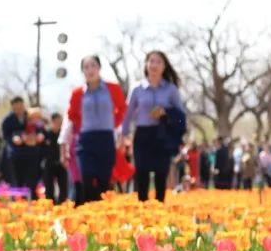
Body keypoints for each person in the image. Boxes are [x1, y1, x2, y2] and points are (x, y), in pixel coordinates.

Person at [120, 52, 186, 202]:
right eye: (151, 61)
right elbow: (128, 114)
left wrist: (166, 112)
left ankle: (158, 212)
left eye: (159, 62)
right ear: (146, 65)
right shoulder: (137, 89)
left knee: (161, 175)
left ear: (164, 66)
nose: (154, 65)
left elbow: (182, 118)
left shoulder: (171, 90)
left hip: (162, 136)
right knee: (141, 175)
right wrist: (123, 136)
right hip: (142, 135)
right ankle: (142, 212)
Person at [62, 55, 127, 204]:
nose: (90, 70)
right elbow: (71, 115)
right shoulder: (77, 93)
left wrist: (114, 123)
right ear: (82, 71)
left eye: (93, 66)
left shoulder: (112, 88)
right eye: (86, 67)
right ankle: (88, 215)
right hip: (86, 140)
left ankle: (101, 216)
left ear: (99, 68)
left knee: (104, 181)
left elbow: (123, 109)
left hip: (106, 139)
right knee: (86, 177)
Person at [0, 96, 27, 187]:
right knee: (14, 179)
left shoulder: (28, 116)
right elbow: (5, 137)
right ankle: (15, 199)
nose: (19, 110)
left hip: (28, 153)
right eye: (17, 108)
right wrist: (13, 139)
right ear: (13, 107)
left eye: (21, 107)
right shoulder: (7, 120)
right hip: (13, 154)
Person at [42, 113, 69, 204]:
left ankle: (62, 205)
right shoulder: (46, 134)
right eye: (56, 122)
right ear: (52, 122)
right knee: (49, 187)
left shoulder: (64, 135)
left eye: (60, 122)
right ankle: (50, 205)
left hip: (61, 164)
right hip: (49, 164)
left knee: (63, 187)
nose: (58, 124)